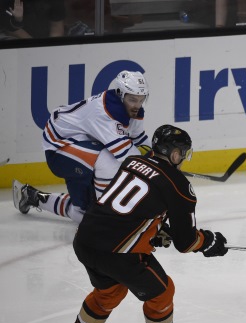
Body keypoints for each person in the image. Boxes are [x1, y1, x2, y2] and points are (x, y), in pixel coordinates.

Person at [56, 124, 228, 323]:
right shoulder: (179, 186)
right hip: (117, 254)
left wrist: (156, 230)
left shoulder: (131, 163)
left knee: (110, 291)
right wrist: (208, 241)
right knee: (163, 291)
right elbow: (186, 242)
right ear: (175, 154)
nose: (183, 158)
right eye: (183, 152)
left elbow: (129, 208)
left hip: (85, 239)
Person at [13, 70, 150, 223]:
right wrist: (160, 171)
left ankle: (33, 197)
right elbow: (127, 155)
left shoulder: (131, 109)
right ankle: (105, 214)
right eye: (132, 99)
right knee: (109, 162)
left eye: (141, 99)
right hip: (59, 147)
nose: (137, 105)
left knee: (84, 211)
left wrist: (161, 159)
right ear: (120, 94)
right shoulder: (106, 113)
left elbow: (139, 139)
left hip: (81, 146)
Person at [0, 0, 65, 39]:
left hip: (46, 41)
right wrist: (35, 46)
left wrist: (51, 46)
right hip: (19, 43)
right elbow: (11, 29)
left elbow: (56, 26)